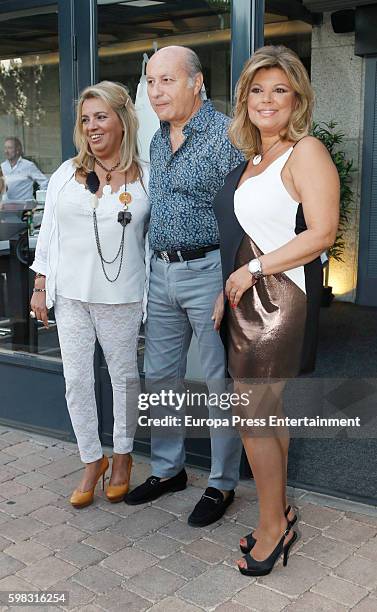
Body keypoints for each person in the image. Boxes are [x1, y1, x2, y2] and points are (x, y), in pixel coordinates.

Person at [212, 45, 339, 575]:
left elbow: (322, 233)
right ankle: (277, 511)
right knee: (266, 413)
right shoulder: (256, 158)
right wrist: (229, 285)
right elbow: (250, 234)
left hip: (278, 298)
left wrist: (252, 274)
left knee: (253, 417)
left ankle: (272, 530)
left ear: (297, 99)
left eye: (280, 90)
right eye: (258, 90)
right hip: (249, 294)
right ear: (245, 99)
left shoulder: (305, 151)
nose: (267, 100)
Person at [124, 46, 244, 527]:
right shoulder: (156, 139)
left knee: (219, 384)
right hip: (162, 271)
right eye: (151, 82)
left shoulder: (228, 136)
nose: (156, 92)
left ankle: (221, 483)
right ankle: (169, 470)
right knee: (161, 379)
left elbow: (242, 217)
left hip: (210, 270)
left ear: (197, 83)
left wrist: (229, 282)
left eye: (167, 81)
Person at [30, 81, 150, 508]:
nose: (92, 126)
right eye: (86, 119)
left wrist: (152, 299)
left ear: (122, 119)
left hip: (122, 295)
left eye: (101, 116)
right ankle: (90, 459)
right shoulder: (67, 171)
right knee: (76, 379)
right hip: (70, 295)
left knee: (124, 380)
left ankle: (122, 456)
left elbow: (149, 244)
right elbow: (49, 231)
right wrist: (41, 284)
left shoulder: (146, 177)